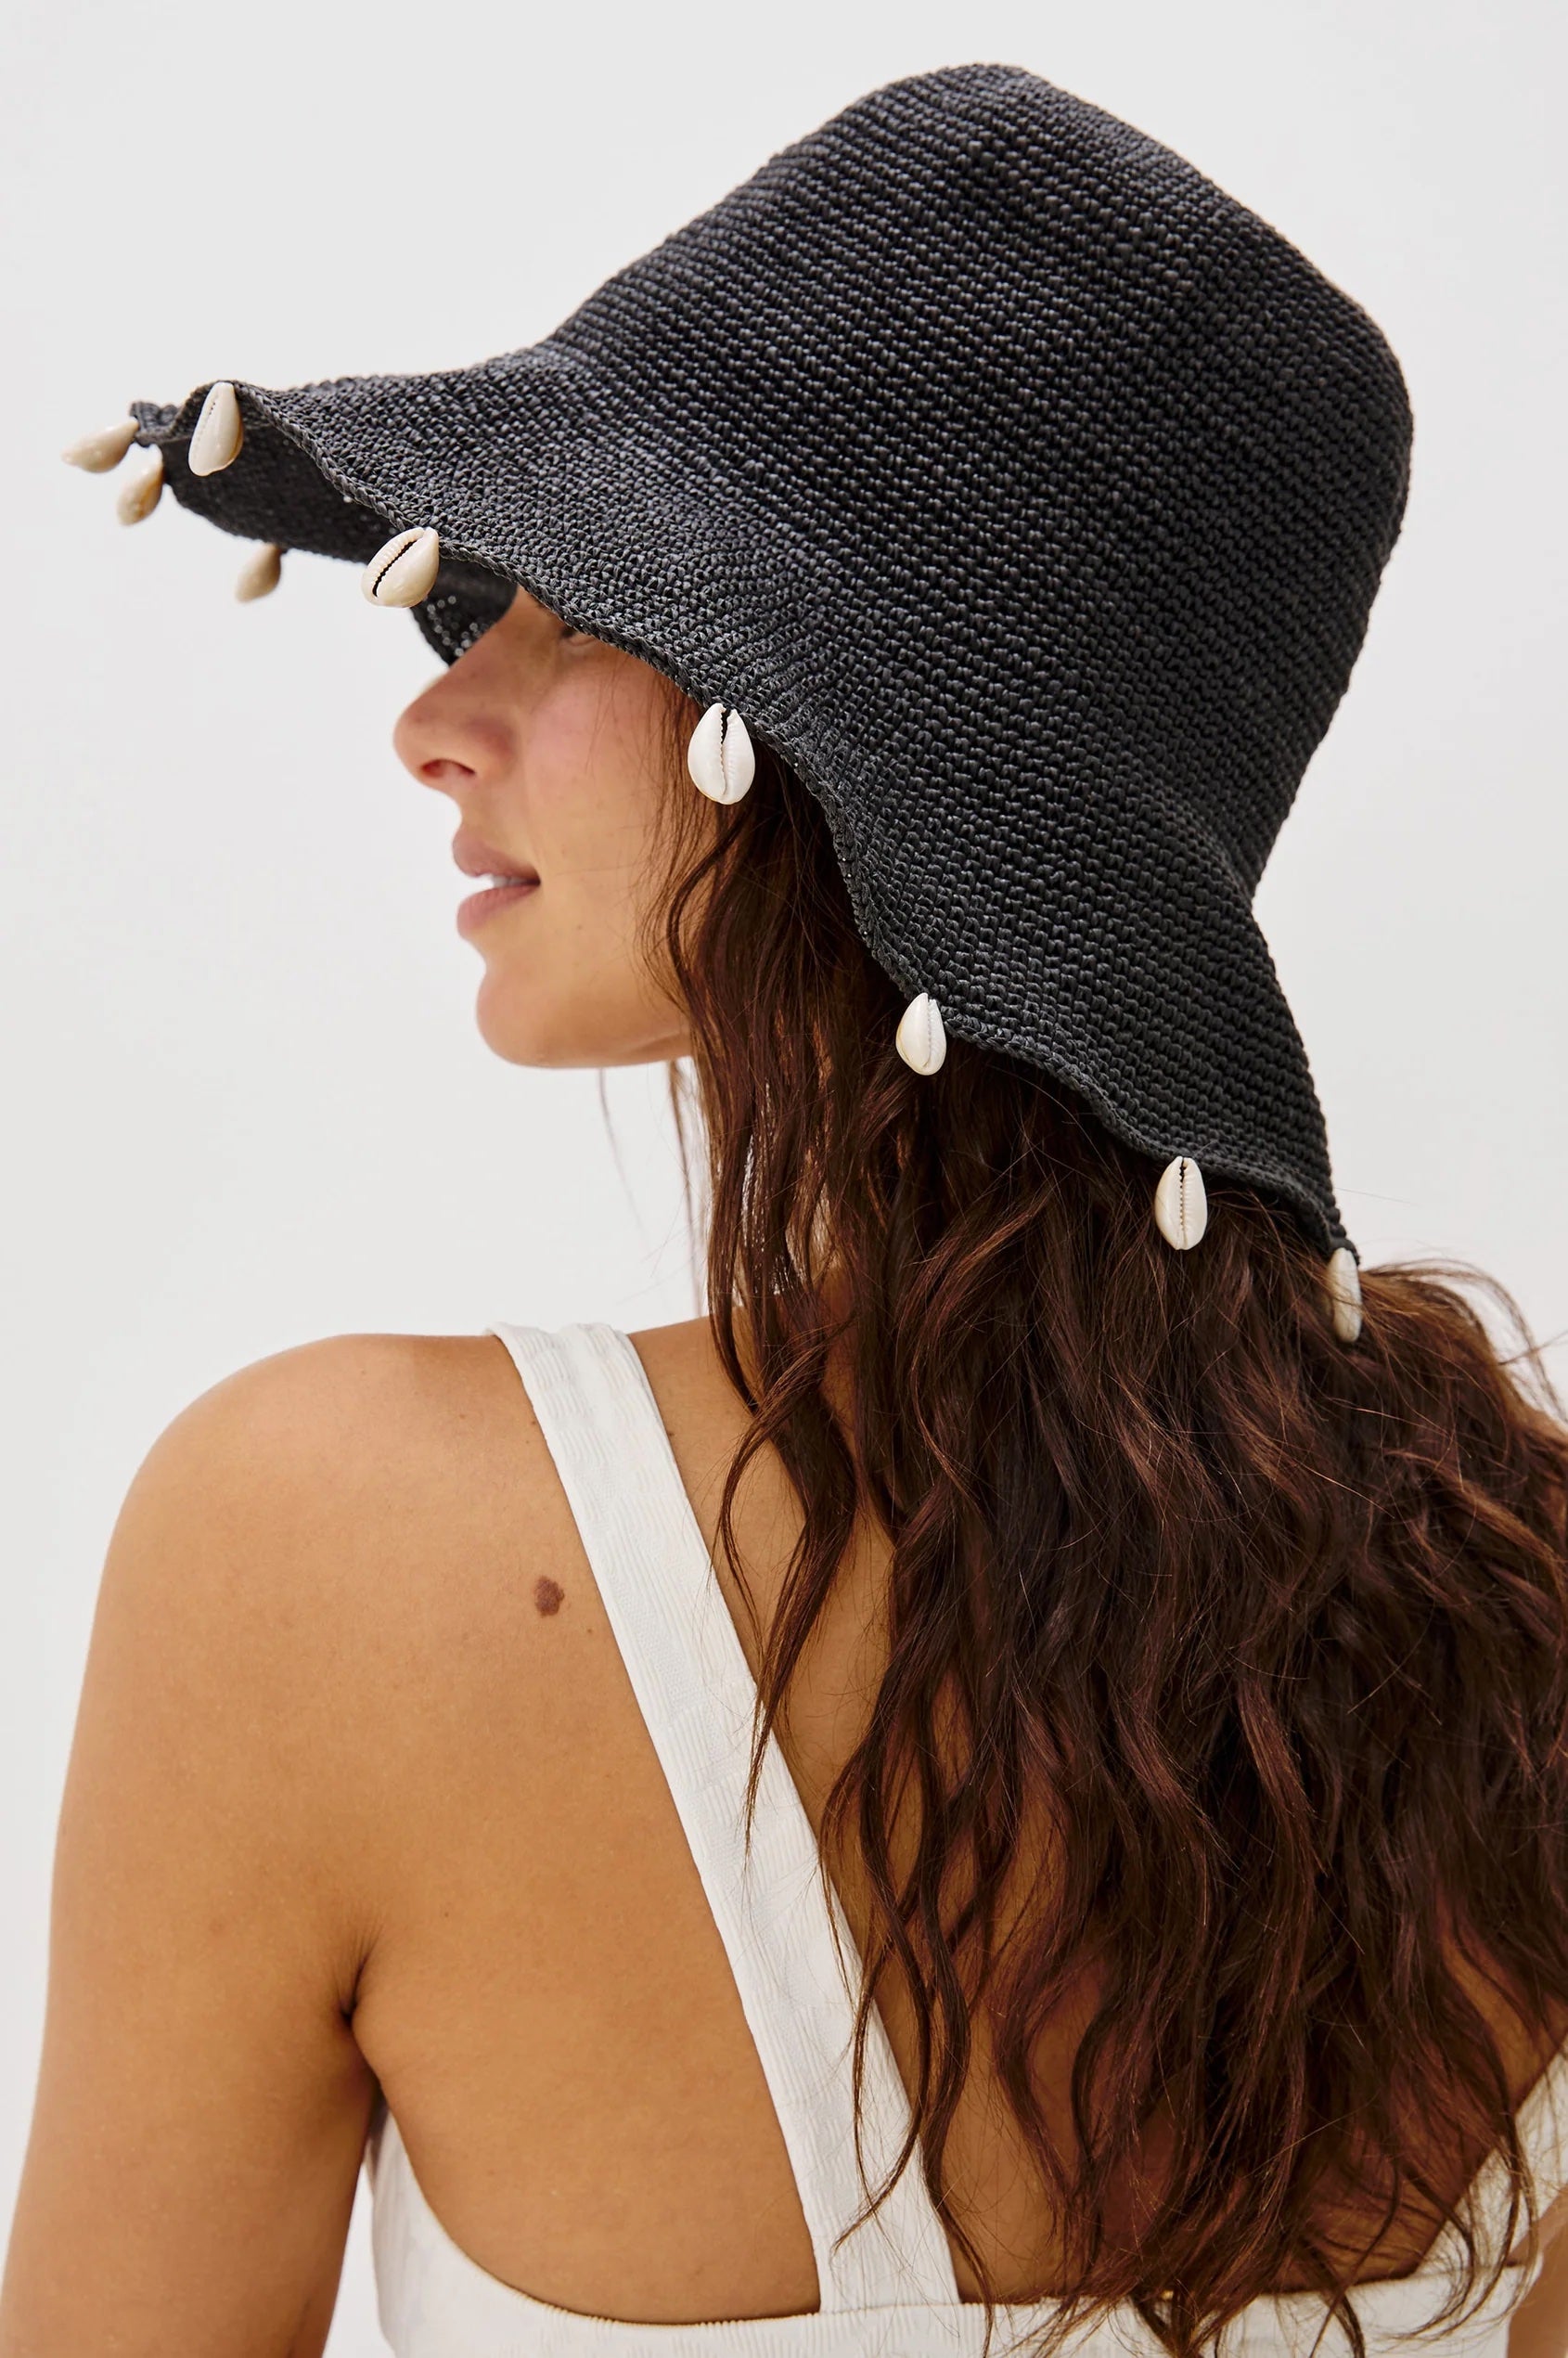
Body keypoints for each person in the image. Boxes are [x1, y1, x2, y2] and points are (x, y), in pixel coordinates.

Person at [5, 61, 1568, 2358]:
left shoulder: (312, 1546)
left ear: (837, 739)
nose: (436, 722)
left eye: (569, 610)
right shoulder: (1510, 1605)